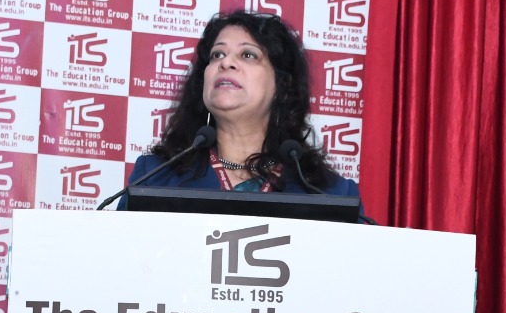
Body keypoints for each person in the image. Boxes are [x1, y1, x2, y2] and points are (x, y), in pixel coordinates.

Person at [126, 12, 360, 202]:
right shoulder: (154, 178)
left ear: (281, 85)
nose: (226, 62)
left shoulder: (330, 194)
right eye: (217, 54)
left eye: (248, 55)